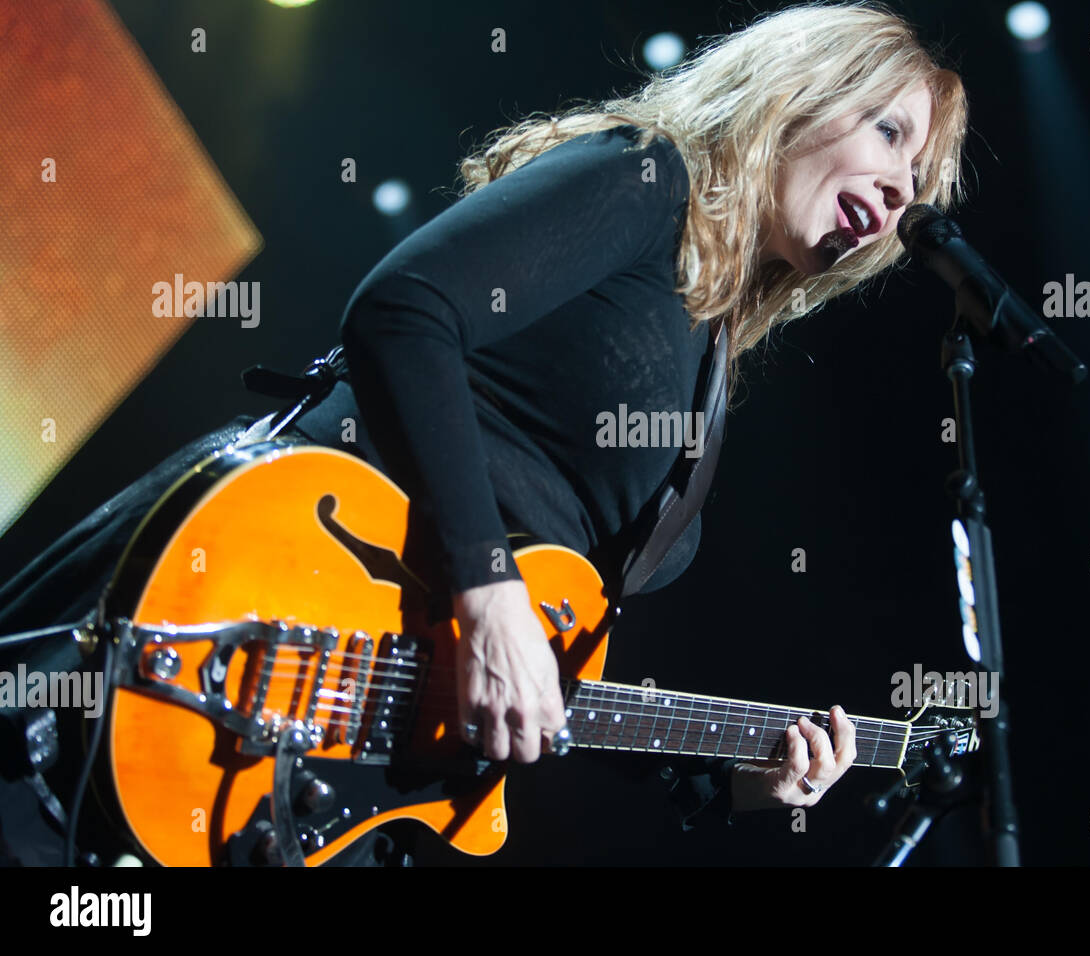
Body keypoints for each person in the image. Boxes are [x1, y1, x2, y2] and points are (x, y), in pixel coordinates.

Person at [0, 1, 967, 861]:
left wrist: (734, 781)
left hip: (334, 757)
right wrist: (489, 589)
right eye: (889, 134)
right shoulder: (648, 177)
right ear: (800, 89)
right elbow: (404, 310)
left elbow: (552, 678)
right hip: (259, 609)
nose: (896, 195)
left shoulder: (710, 362)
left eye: (917, 183)